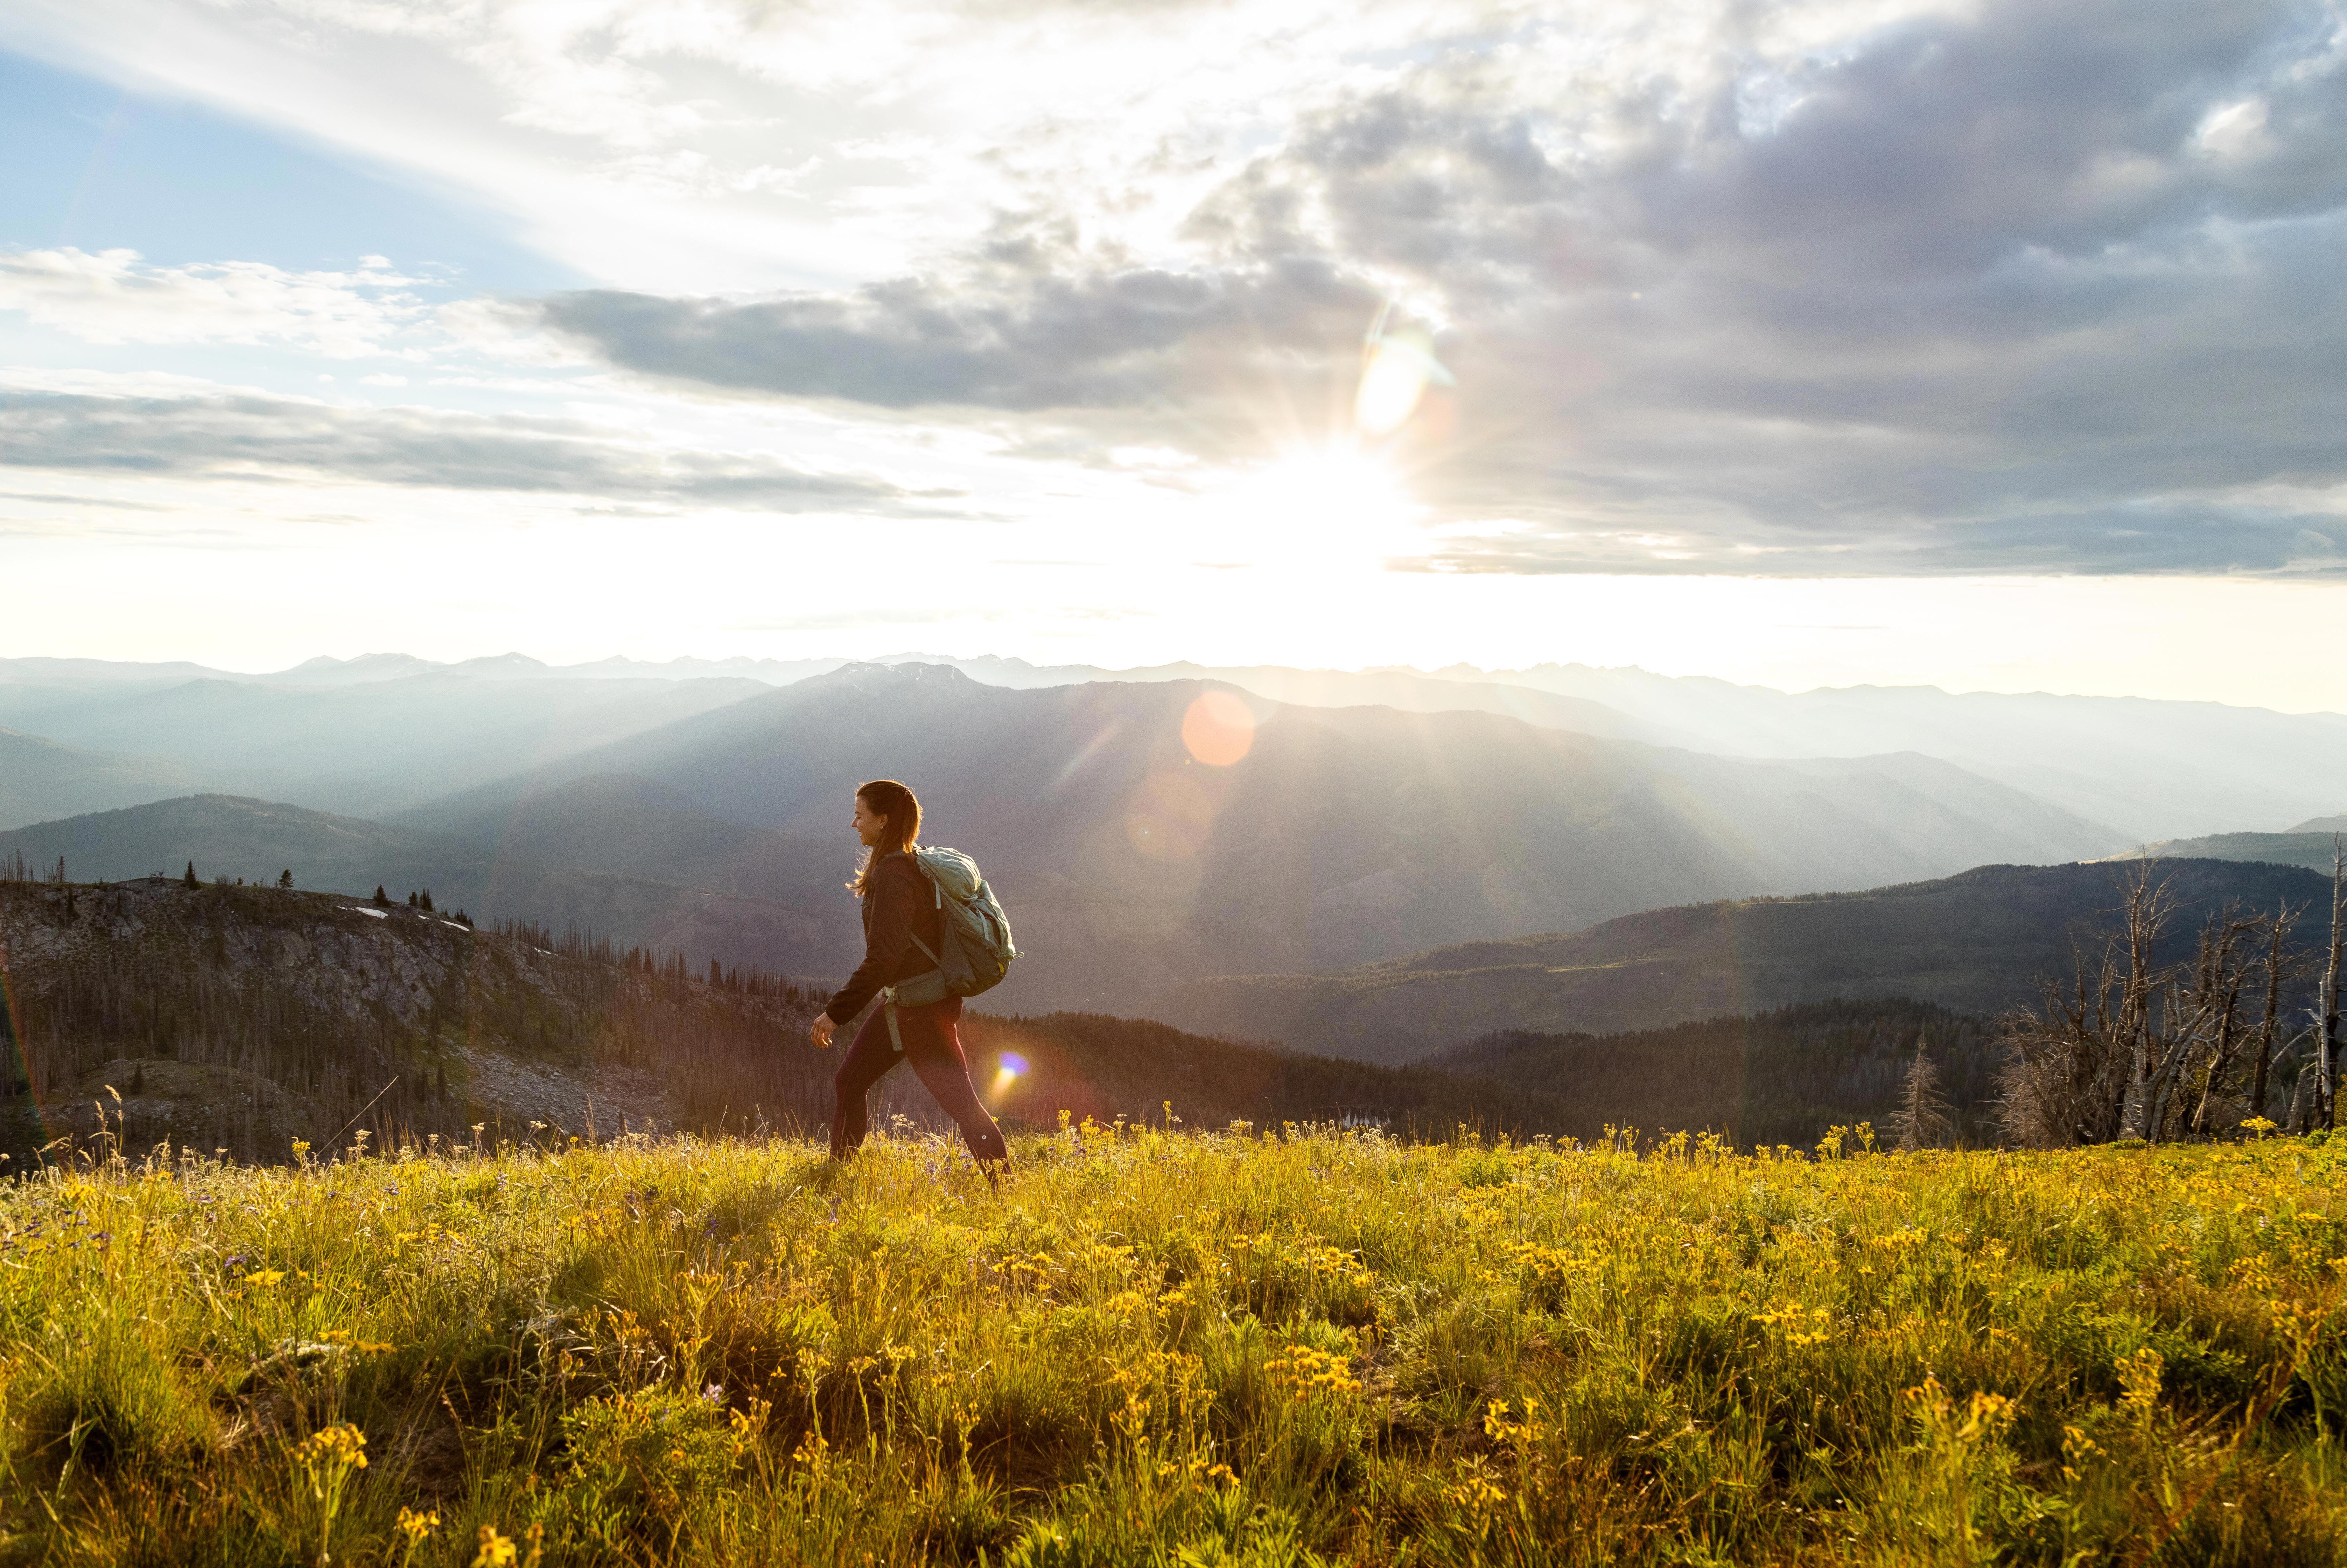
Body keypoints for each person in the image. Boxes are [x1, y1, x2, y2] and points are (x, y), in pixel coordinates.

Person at [808, 778, 1009, 1170]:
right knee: (850, 1082)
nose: (854, 824)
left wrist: (836, 1013)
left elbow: (883, 958)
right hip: (909, 1001)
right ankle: (835, 1175)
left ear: (883, 820)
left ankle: (1005, 1186)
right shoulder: (907, 864)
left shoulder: (893, 876)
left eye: (859, 815)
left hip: (923, 1009)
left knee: (962, 1103)